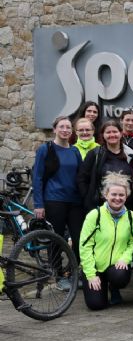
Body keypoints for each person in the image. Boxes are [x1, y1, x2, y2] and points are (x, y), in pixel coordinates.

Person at [32, 116, 84, 283]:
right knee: (57, 238)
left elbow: (81, 177)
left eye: (68, 127)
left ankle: (75, 272)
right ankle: (58, 274)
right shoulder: (45, 149)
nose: (65, 130)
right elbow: (38, 178)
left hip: (75, 202)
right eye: (61, 127)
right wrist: (39, 204)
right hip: (54, 201)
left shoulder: (75, 151)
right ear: (54, 129)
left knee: (79, 239)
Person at [79, 173, 133, 310]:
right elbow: (84, 246)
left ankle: (114, 287)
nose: (117, 198)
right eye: (114, 194)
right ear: (106, 195)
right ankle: (101, 286)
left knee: (121, 276)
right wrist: (91, 274)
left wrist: (125, 258)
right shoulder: (95, 215)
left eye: (121, 195)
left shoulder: (131, 217)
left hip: (116, 267)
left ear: (126, 196)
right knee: (96, 305)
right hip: (95, 267)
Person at [79, 120, 133, 211]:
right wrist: (87, 199)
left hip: (126, 207)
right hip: (99, 206)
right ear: (103, 135)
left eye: (115, 132)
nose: (112, 135)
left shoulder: (131, 155)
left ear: (121, 133)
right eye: (108, 132)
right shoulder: (94, 154)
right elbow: (82, 179)